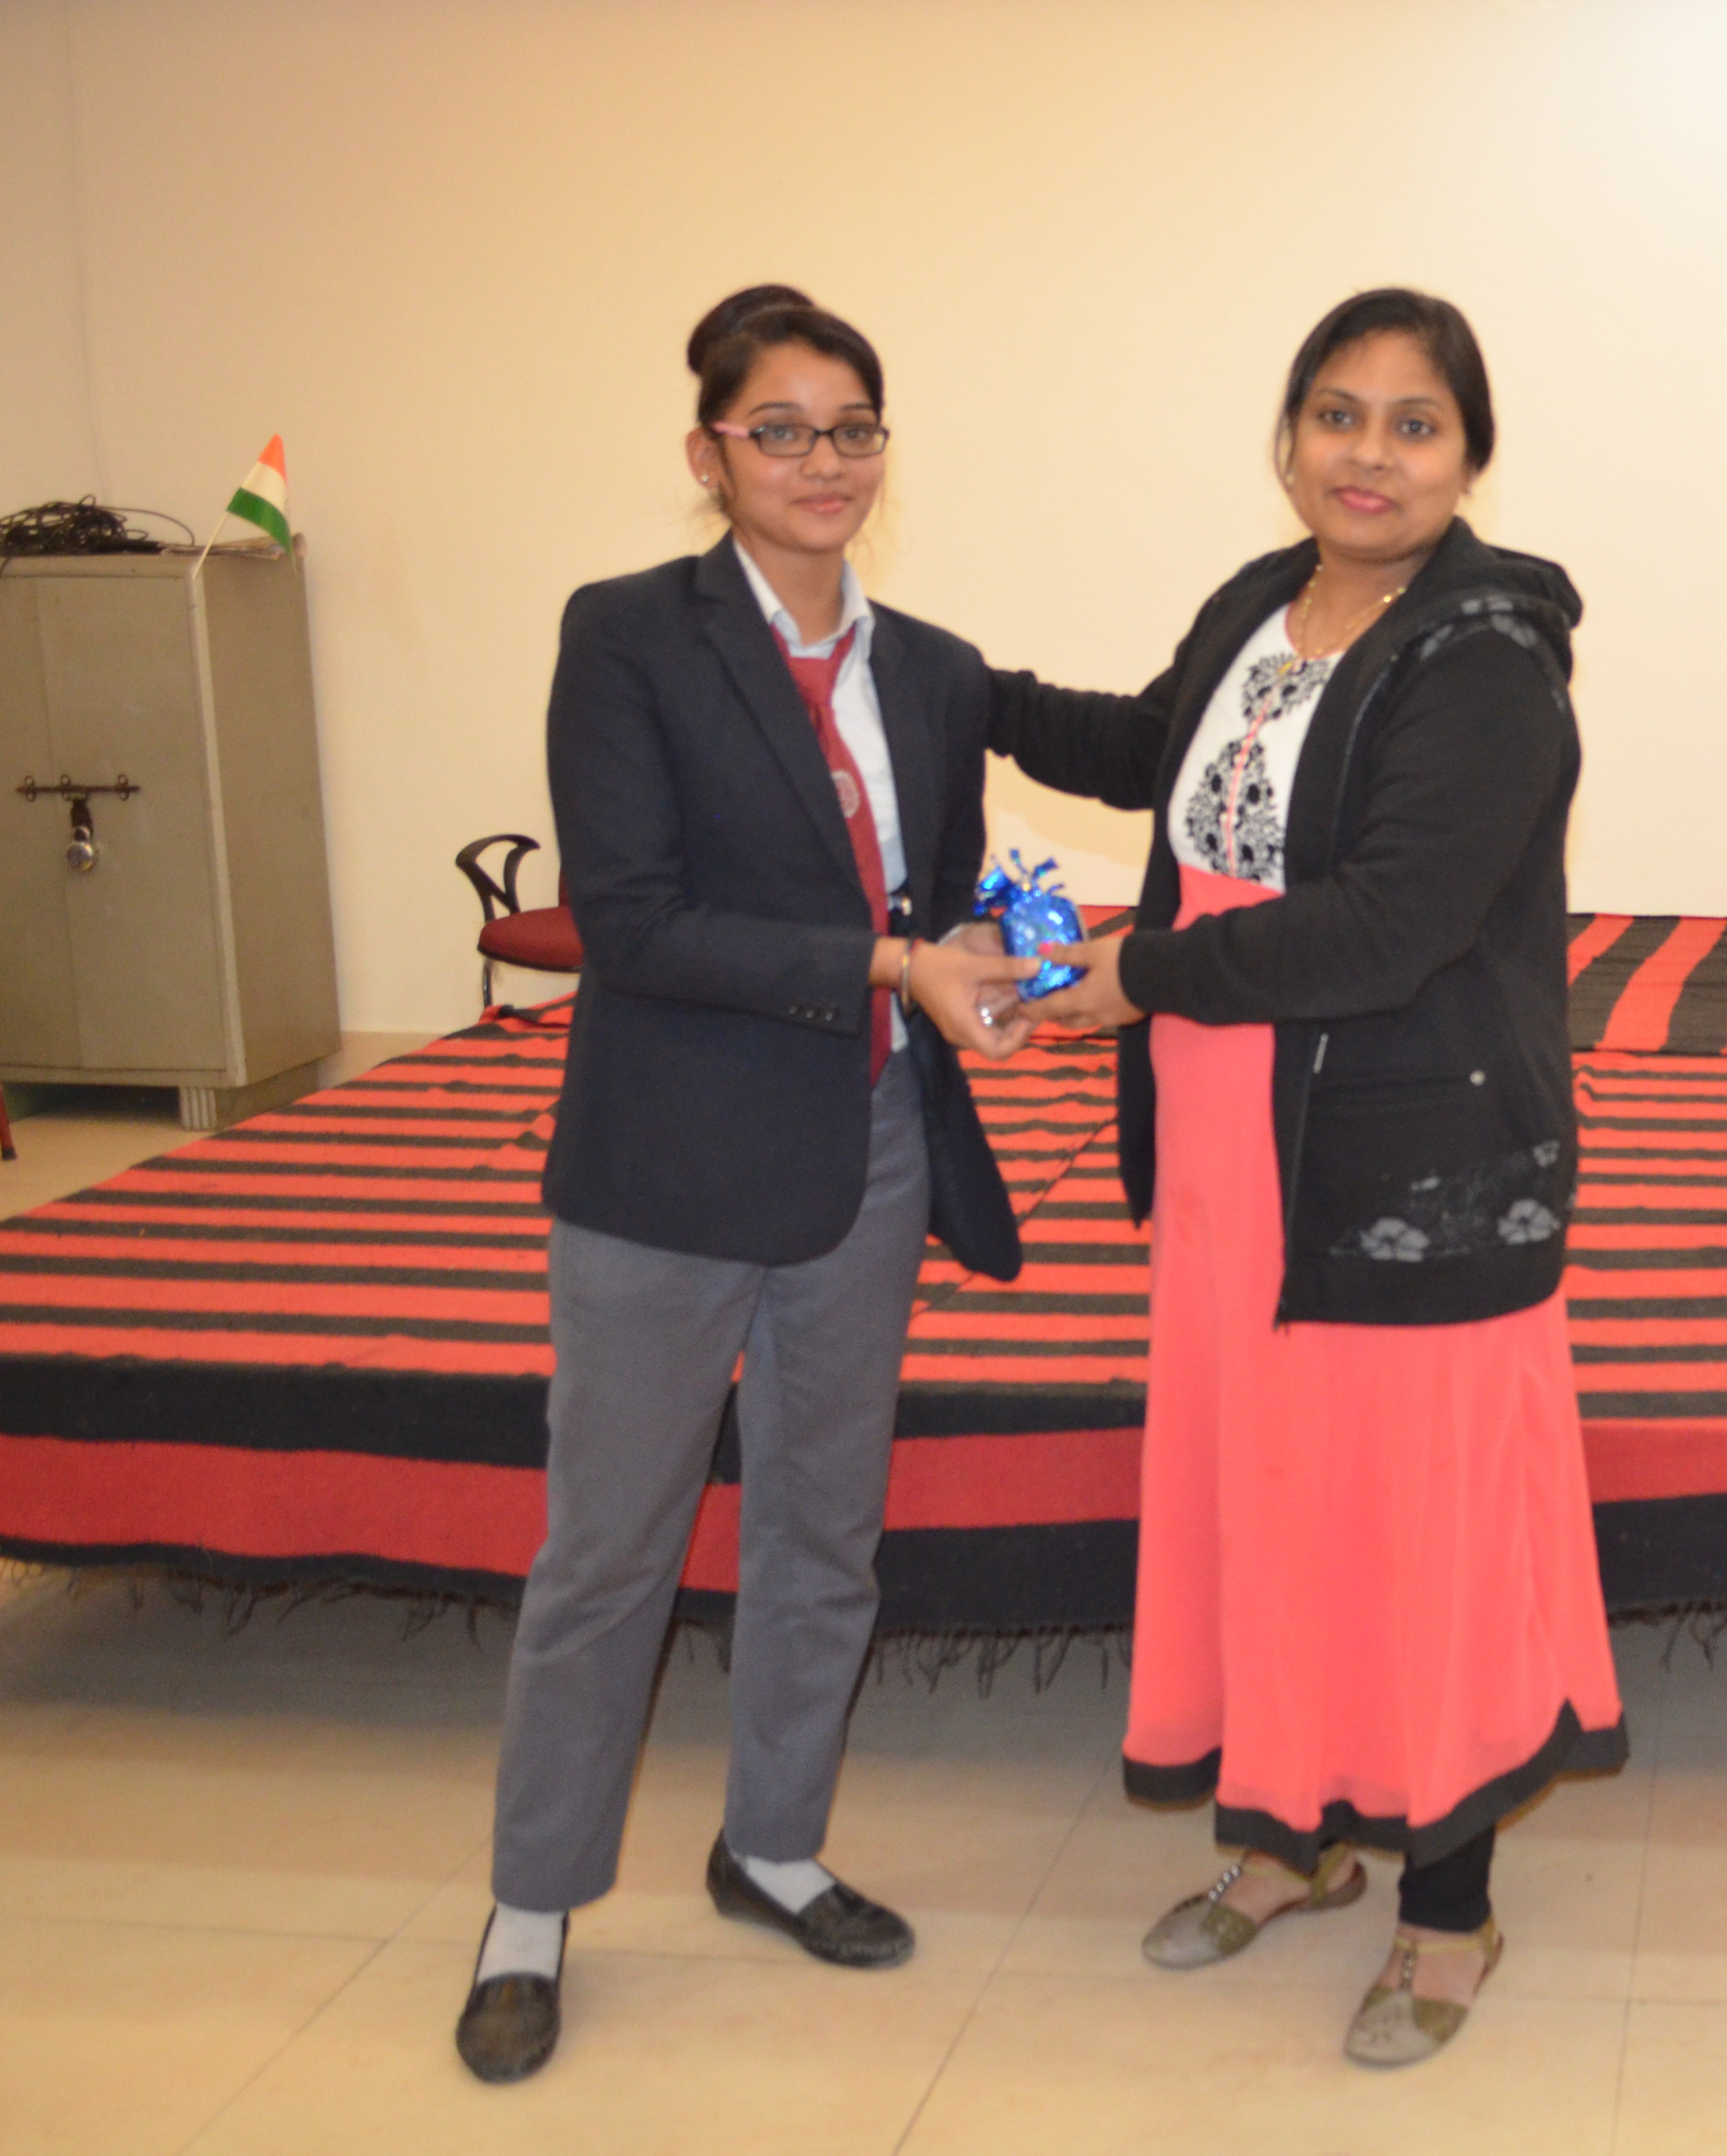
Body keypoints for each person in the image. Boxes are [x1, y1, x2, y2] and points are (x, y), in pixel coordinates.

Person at [987, 287, 1621, 2067]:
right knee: (1264, 1493)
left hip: (1400, 1153)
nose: (1370, 454)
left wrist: (1140, 974)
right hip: (1228, 1139)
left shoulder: (1487, 658)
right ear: (1288, 439)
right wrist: (960, 687)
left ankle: (1449, 1910)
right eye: (1338, 415)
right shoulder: (1261, 605)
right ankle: (1290, 1837)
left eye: (1416, 424)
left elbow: (1392, 924)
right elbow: (1147, 748)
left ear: (1470, 457)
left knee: (1415, 1530)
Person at [456, 285, 1027, 2083]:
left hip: (869, 1148)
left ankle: (773, 1845)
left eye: (852, 428)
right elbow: (631, 923)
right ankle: (533, 1907)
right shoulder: (630, 633)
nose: (821, 461)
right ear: (709, 453)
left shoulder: (930, 668)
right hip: (668, 1161)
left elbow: (945, 888)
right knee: (608, 1551)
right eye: (779, 429)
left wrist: (987, 962)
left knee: (822, 1529)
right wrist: (891, 965)